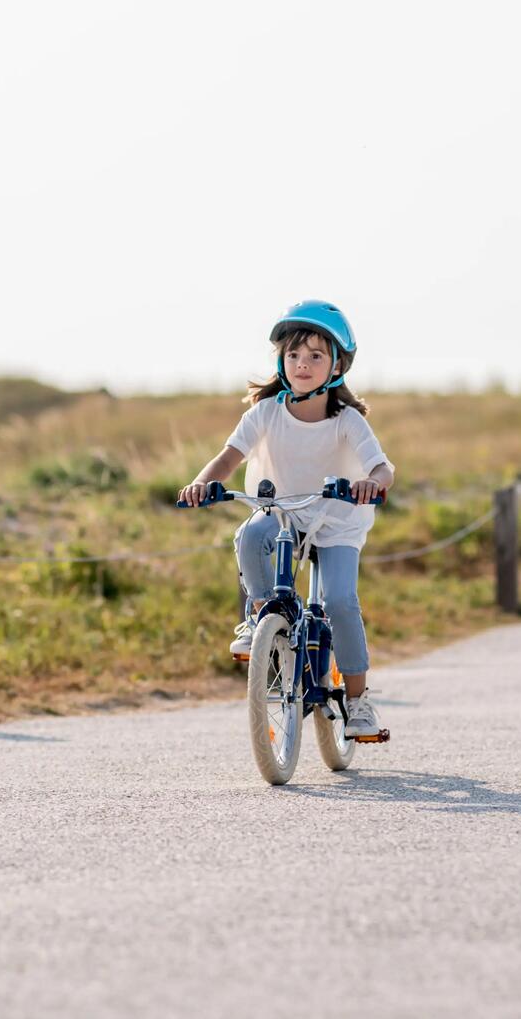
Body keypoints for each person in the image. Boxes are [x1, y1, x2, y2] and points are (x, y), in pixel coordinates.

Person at [179, 301, 395, 737]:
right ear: (280, 360)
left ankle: (358, 702)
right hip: (282, 516)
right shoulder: (265, 413)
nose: (303, 363)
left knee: (339, 602)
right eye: (294, 354)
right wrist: (201, 483)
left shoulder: (346, 421)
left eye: (316, 355)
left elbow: (383, 467)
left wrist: (373, 483)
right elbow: (228, 457)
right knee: (250, 534)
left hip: (336, 522)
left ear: (337, 365)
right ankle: (261, 616)